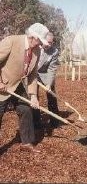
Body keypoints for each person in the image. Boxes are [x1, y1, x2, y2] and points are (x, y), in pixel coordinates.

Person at [0, 23, 50, 152]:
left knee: (26, 109)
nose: (40, 44)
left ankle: (26, 143)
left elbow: (33, 75)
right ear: (32, 36)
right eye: (39, 41)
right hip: (3, 84)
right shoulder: (11, 41)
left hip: (18, 84)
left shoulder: (37, 50)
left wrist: (33, 96)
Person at [33, 32, 60, 129]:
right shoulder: (35, 47)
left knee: (52, 96)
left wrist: (49, 84)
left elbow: (52, 68)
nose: (49, 45)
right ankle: (36, 122)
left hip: (45, 75)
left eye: (51, 43)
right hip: (33, 74)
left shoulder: (55, 51)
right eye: (48, 42)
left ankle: (55, 122)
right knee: (33, 96)